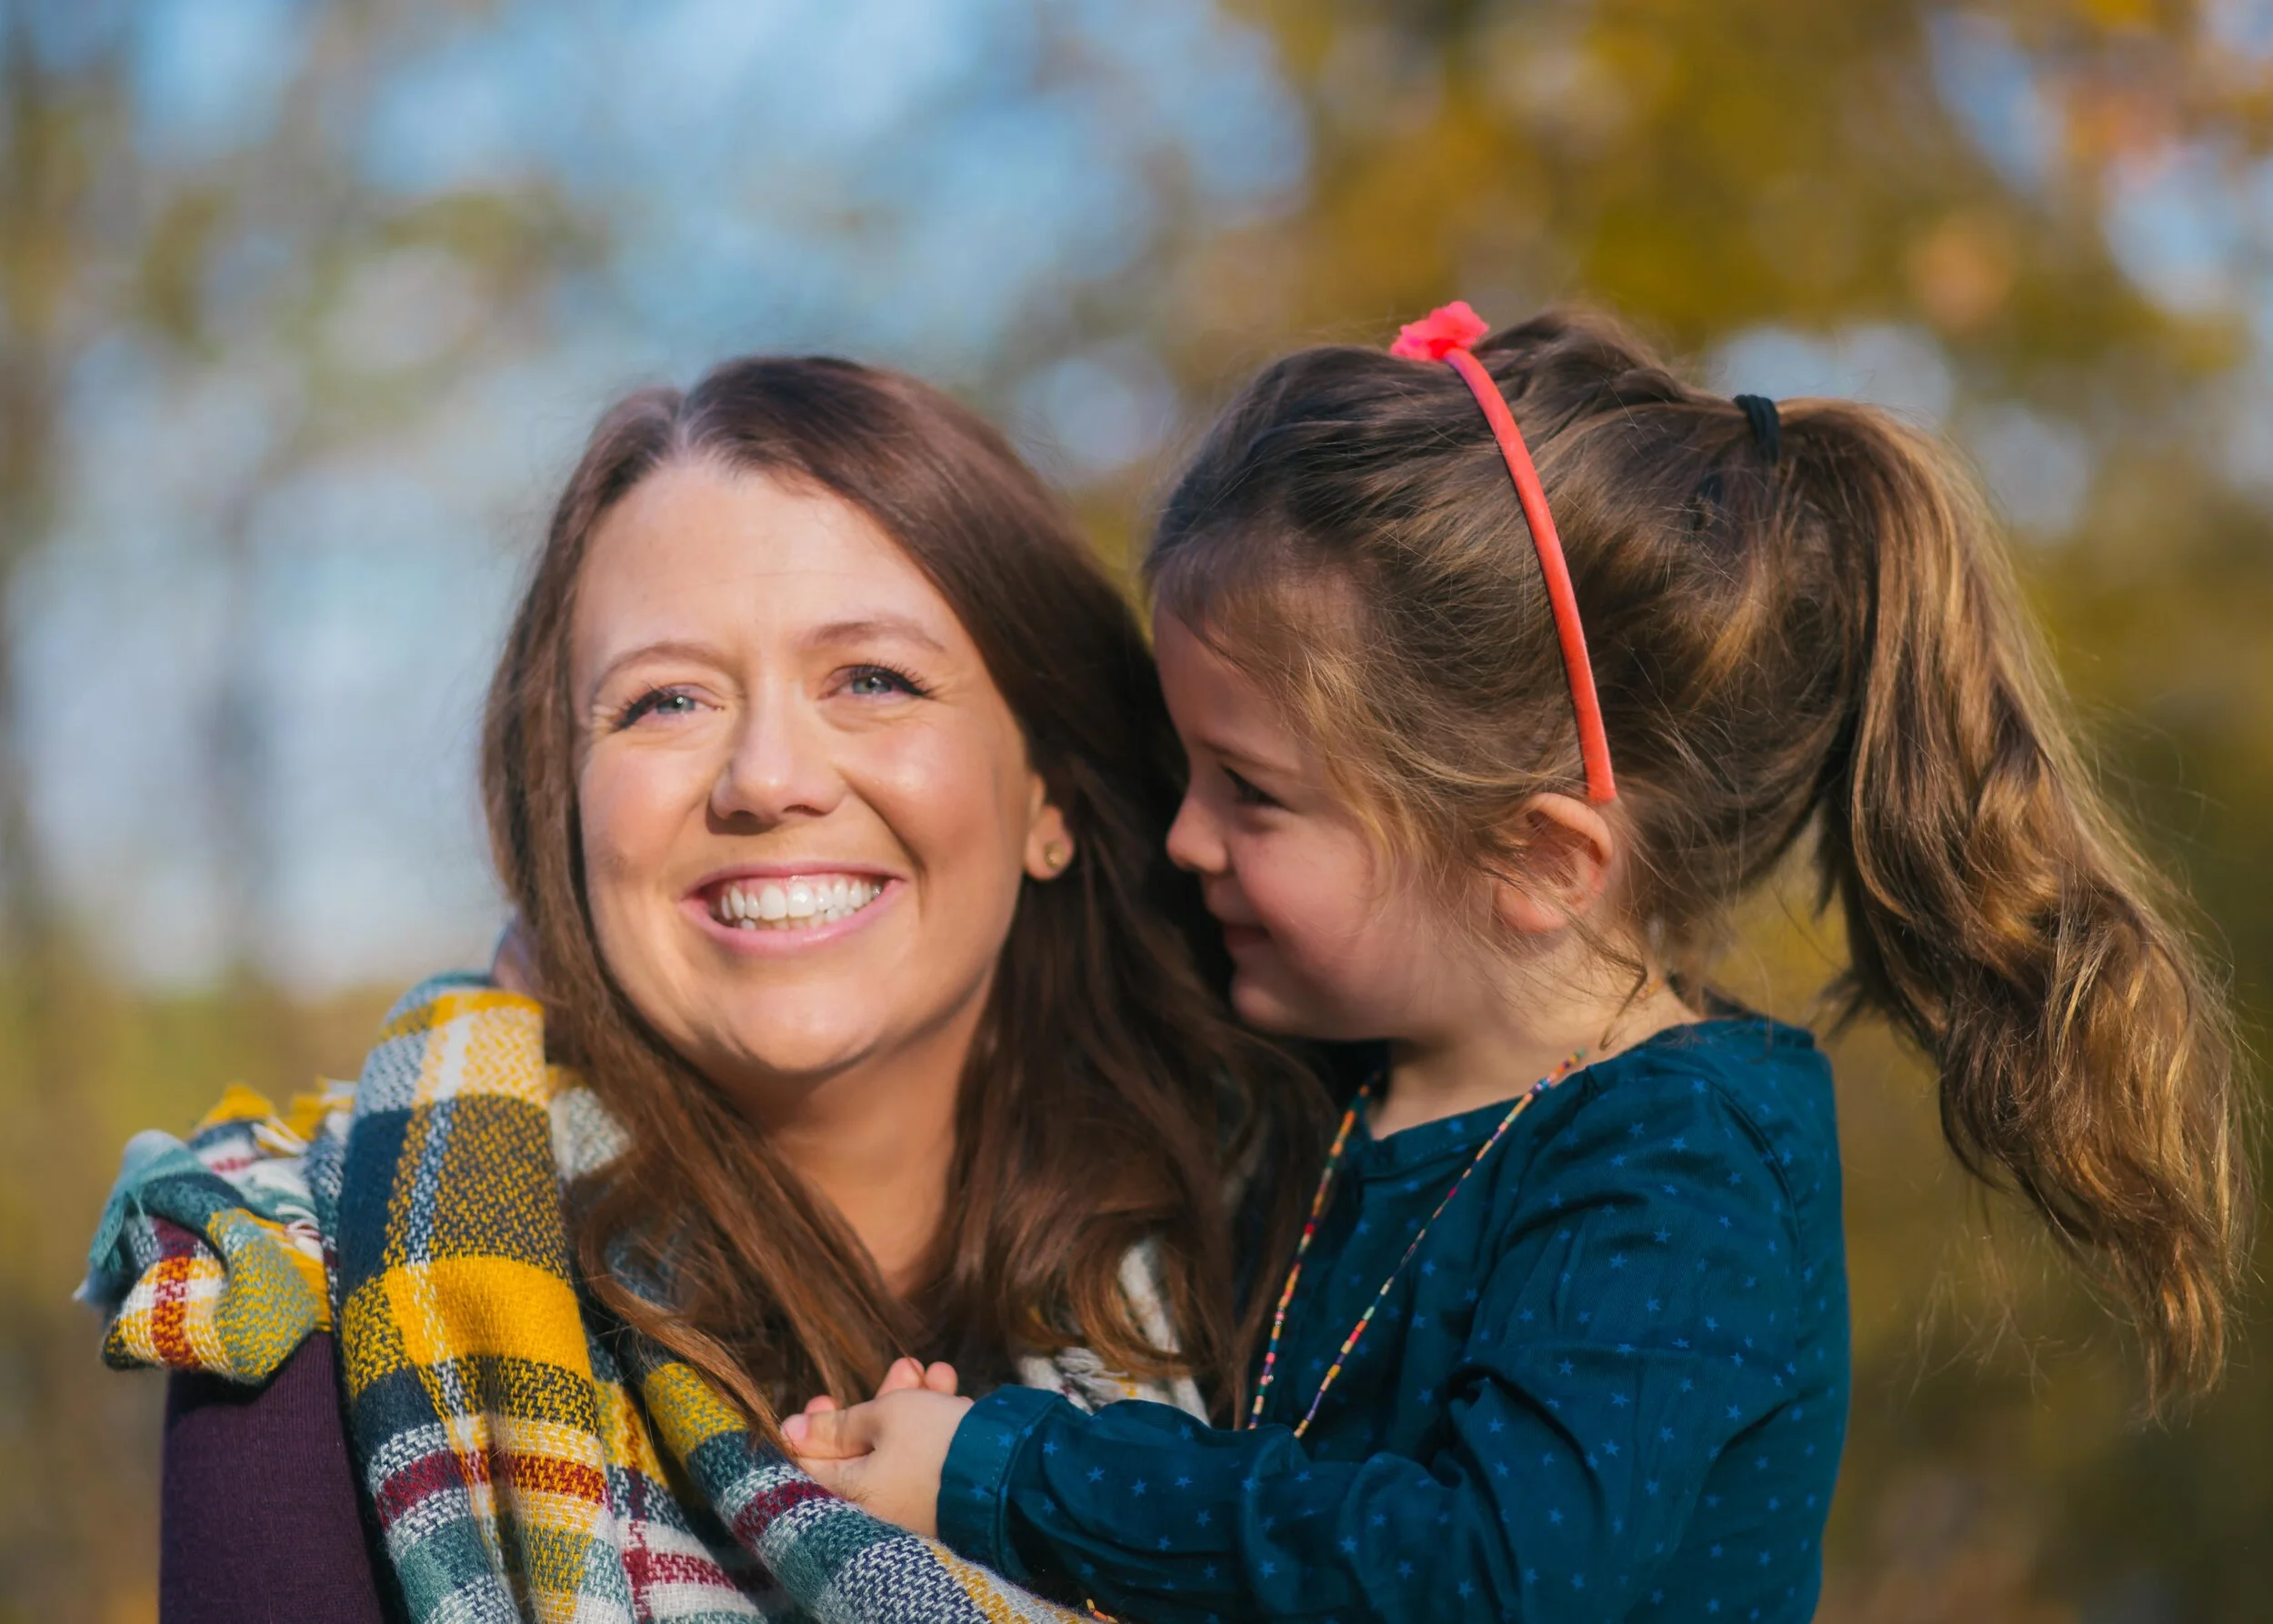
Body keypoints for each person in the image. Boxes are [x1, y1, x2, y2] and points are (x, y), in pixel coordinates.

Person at [785, 306, 2253, 1622]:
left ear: (1541, 863)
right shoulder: (1347, 1081)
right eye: (1185, 772)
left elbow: (1489, 1573)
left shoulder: (1678, 1164)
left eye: (1254, 790)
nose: (1185, 838)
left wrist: (1019, 1472)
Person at [84, 355, 1321, 1622]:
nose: (766, 777)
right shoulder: (312, 1297)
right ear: (561, 806)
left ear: (1049, 793)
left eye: (872, 679)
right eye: (666, 699)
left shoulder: (1312, 1235)